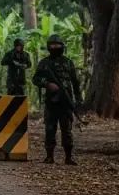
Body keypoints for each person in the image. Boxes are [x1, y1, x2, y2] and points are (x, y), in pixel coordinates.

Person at [32, 33, 82, 165]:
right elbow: (35, 79)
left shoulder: (68, 63)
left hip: (65, 102)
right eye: (52, 45)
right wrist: (47, 84)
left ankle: (68, 157)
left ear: (62, 46)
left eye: (57, 45)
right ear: (49, 47)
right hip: (51, 101)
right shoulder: (44, 63)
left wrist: (78, 100)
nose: (55, 47)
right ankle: (49, 156)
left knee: (67, 130)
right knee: (50, 129)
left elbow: (75, 83)